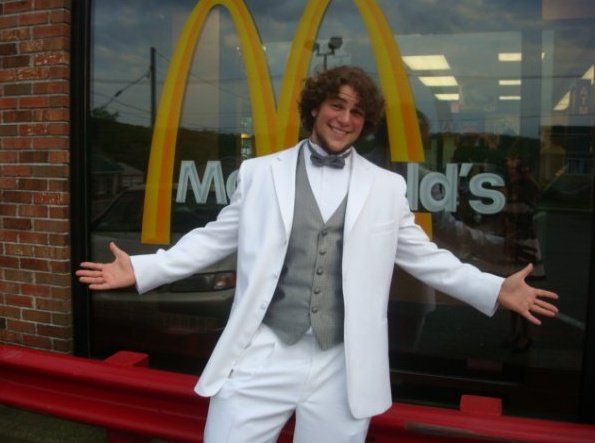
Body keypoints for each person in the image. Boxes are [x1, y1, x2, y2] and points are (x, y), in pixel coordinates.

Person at [77, 65, 558, 443]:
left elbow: (425, 257)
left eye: (357, 112)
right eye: (337, 105)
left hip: (342, 364)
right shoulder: (260, 174)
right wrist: (143, 268)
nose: (345, 119)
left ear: (366, 122)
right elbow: (214, 238)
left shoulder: (386, 187)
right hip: (264, 351)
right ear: (315, 107)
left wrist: (494, 288)